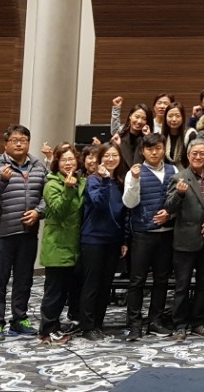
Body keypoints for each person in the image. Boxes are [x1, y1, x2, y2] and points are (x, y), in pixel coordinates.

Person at [0, 125, 47, 341]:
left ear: (28, 143)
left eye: (23, 140)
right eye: (14, 140)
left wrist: (38, 212)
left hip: (27, 234)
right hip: (0, 234)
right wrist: (1, 181)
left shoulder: (38, 168)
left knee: (24, 280)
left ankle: (19, 319)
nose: (19, 144)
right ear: (6, 144)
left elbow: (47, 197)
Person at [121, 132, 176, 341]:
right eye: (150, 149)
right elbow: (129, 203)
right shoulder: (134, 172)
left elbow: (177, 201)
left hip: (167, 234)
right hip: (143, 234)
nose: (154, 152)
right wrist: (135, 180)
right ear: (143, 151)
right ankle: (134, 324)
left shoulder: (173, 170)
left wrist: (170, 214)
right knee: (137, 281)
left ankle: (155, 321)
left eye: (158, 148)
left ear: (164, 149)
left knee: (162, 280)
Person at [165, 137, 204, 340]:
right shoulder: (178, 178)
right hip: (185, 240)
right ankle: (179, 324)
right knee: (182, 285)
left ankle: (199, 322)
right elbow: (169, 208)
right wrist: (179, 195)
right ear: (188, 156)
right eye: (194, 153)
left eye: (202, 153)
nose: (198, 157)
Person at [78, 142, 128, 341]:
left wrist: (124, 240)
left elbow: (124, 213)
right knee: (92, 284)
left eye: (114, 155)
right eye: (106, 156)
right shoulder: (94, 180)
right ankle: (87, 325)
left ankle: (98, 323)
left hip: (113, 239)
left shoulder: (121, 182)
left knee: (106, 284)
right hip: (93, 238)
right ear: (100, 160)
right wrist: (105, 180)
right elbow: (99, 203)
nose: (110, 159)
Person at [38, 144, 86, 343]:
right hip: (57, 244)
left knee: (72, 289)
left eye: (71, 159)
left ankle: (68, 323)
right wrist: (66, 190)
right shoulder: (52, 184)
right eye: (64, 160)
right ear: (57, 163)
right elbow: (57, 210)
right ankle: (47, 329)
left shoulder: (81, 182)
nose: (68, 163)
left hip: (75, 244)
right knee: (54, 292)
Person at [114, 102, 151, 167]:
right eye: (137, 117)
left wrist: (148, 138)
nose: (139, 121)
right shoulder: (119, 137)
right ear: (130, 116)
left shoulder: (149, 137)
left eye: (144, 119)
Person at [161, 101, 196, 169]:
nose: (174, 119)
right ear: (165, 117)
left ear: (183, 117)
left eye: (177, 116)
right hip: (166, 172)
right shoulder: (162, 135)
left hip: (187, 172)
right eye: (170, 116)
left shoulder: (190, 134)